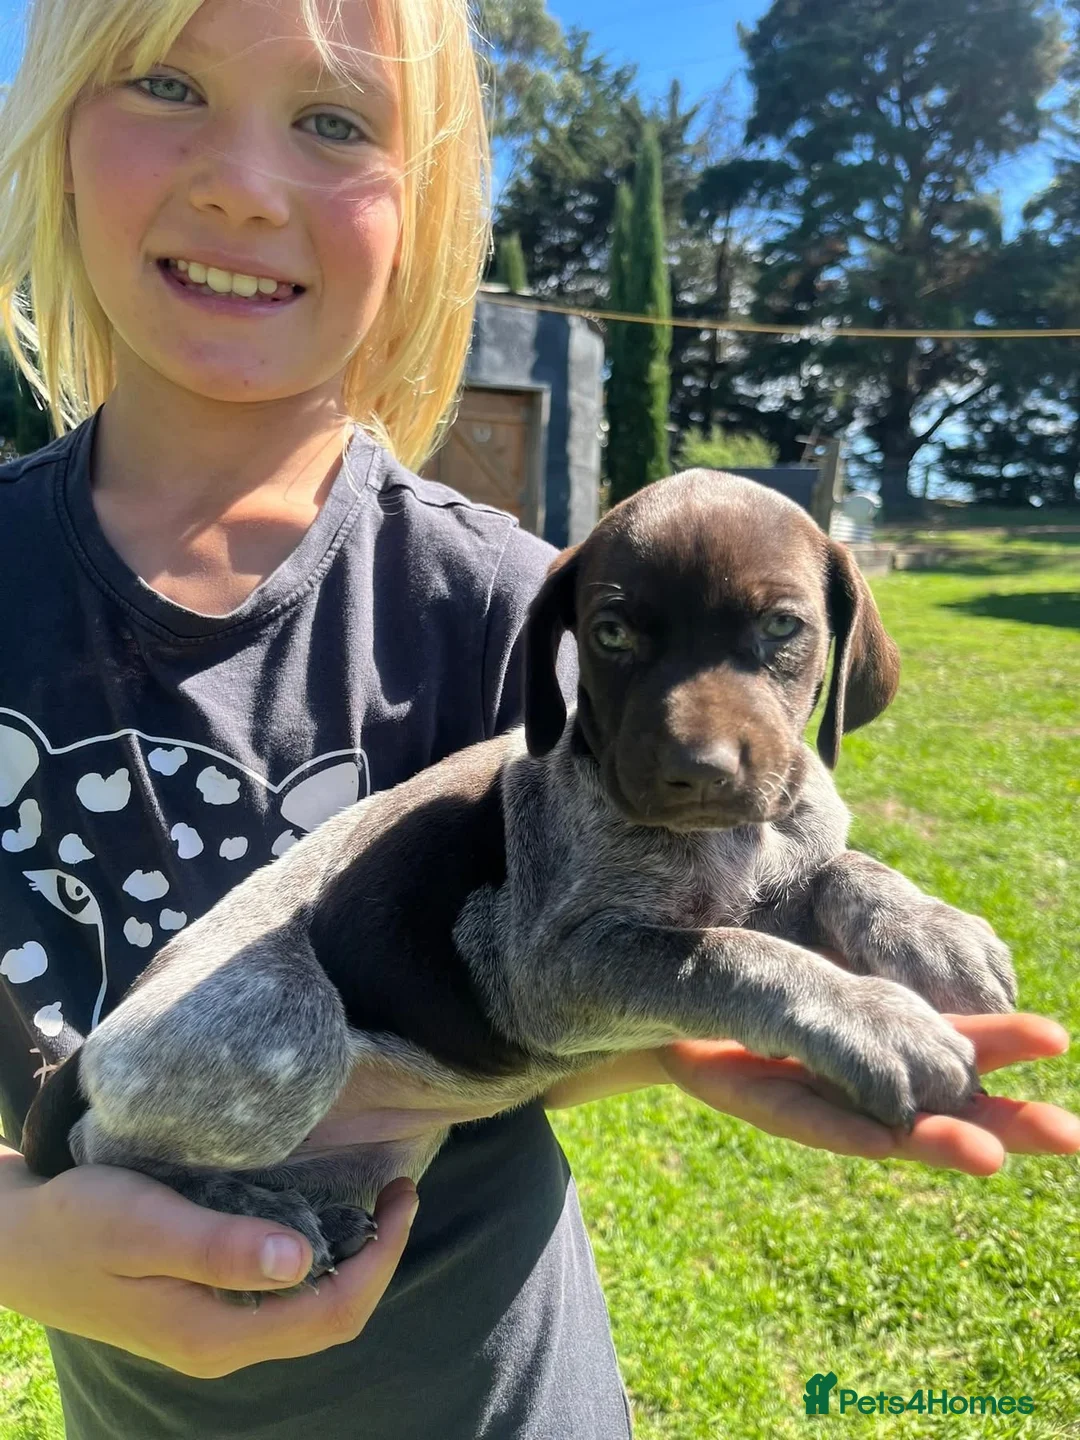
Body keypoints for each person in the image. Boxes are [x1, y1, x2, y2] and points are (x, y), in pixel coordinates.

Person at [0, 0, 1076, 1435]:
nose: (242, 184)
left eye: (333, 119)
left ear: (431, 202)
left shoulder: (507, 596)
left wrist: (760, 980)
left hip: (517, 1397)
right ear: (49, 131)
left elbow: (548, 986)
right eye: (165, 85)